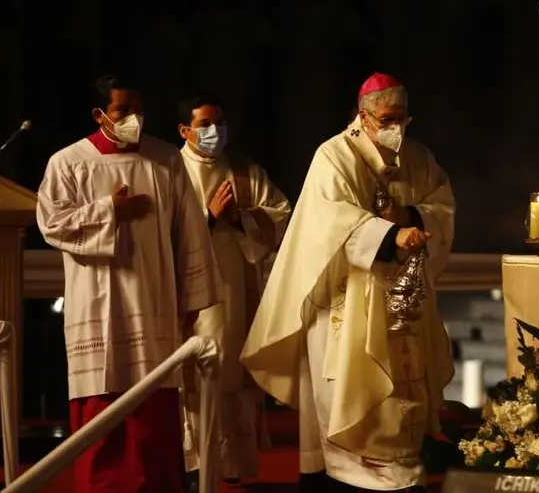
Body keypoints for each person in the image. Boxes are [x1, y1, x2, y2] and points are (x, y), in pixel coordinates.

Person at [241, 73, 456, 492]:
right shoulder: (333, 156)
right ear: (364, 115)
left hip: (404, 297)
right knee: (354, 398)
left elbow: (443, 205)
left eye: (403, 118)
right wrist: (389, 235)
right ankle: (352, 473)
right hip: (347, 298)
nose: (397, 127)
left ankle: (403, 469)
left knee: (406, 384)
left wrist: (412, 217)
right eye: (388, 118)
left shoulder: (418, 157)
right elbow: (329, 219)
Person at [35, 74, 221, 493]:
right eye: (123, 111)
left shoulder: (166, 159)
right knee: (103, 409)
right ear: (100, 114)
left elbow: (190, 231)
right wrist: (108, 211)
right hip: (96, 305)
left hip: (153, 302)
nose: (133, 118)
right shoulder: (67, 163)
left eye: (138, 109)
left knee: (154, 417)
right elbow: (51, 223)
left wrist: (190, 299)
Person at [176, 95, 292, 485]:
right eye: (205, 124)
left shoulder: (244, 172)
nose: (215, 132)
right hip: (189, 301)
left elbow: (282, 215)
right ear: (184, 130)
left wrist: (239, 218)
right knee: (193, 379)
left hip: (238, 298)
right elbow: (158, 234)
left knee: (232, 376)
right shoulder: (170, 172)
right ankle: (193, 465)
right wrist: (207, 218)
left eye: (219, 122)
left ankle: (232, 467)